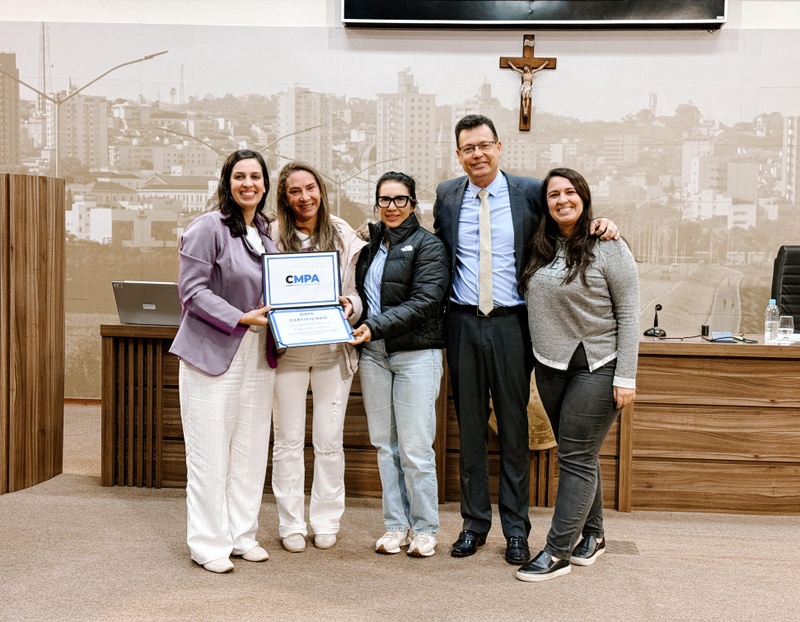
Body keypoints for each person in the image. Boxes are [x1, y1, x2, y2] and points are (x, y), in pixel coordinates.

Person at [433, 114, 619, 565]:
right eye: (467, 149)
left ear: (499, 148)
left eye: (484, 145)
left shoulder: (530, 192)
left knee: (514, 430)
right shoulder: (446, 195)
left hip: (513, 323)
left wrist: (606, 224)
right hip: (461, 321)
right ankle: (474, 525)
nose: (476, 154)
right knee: (470, 427)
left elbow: (567, 216)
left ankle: (516, 530)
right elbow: (437, 247)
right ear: (458, 155)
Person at [515, 168, 639, 581]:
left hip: (598, 367)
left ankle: (557, 551)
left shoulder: (609, 245)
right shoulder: (540, 246)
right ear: (545, 203)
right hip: (551, 367)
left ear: (584, 198)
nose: (562, 200)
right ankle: (595, 535)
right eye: (554, 194)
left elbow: (629, 315)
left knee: (575, 458)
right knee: (580, 453)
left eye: (570, 192)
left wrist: (627, 376)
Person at [169, 149, 279, 574]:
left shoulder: (265, 233)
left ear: (265, 185)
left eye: (255, 176)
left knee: (250, 452)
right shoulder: (207, 227)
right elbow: (192, 292)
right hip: (213, 351)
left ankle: (241, 534)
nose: (248, 183)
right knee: (209, 454)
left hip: (257, 354)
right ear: (227, 182)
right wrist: (240, 316)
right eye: (239, 176)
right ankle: (207, 543)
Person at [350, 172, 450, 558]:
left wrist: (372, 326)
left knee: (415, 448)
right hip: (374, 356)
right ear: (377, 204)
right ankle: (396, 525)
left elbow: (425, 301)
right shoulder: (371, 244)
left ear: (413, 203)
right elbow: (361, 292)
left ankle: (425, 528)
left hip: (415, 357)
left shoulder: (430, 246)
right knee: (385, 446)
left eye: (400, 200)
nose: (392, 207)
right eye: (385, 200)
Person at [270, 160, 366, 553]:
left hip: (331, 352)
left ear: (321, 191)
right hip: (287, 352)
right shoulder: (271, 235)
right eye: (295, 191)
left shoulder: (342, 233)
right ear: (285, 198)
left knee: (329, 440)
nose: (305, 197)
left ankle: (326, 519)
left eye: (310, 188)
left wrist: (351, 306)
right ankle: (291, 523)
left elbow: (358, 295)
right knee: (288, 440)